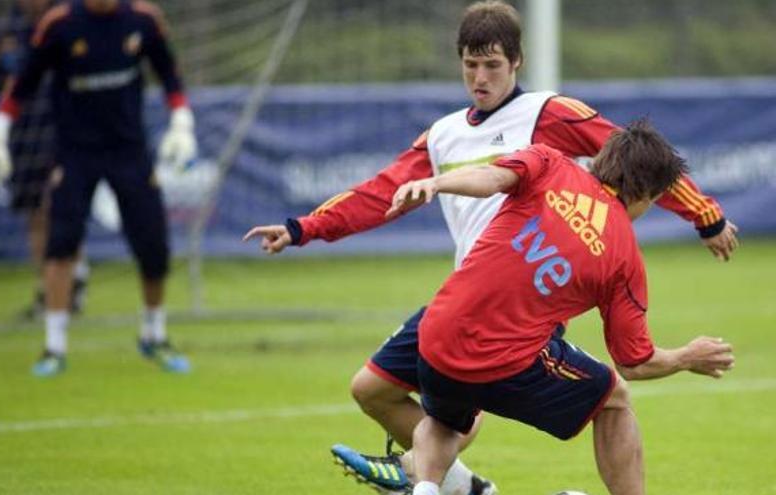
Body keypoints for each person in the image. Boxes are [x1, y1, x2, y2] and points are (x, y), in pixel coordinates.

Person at [243, 1, 738, 494]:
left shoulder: (549, 114)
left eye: (492, 66)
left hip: (526, 303)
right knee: (372, 391)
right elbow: (381, 193)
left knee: (459, 412)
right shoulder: (443, 136)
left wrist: (705, 215)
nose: (480, 78)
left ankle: (425, 473)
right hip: (464, 294)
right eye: (470, 65)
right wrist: (305, 227)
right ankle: (459, 485)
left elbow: (636, 163)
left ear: (517, 61)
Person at [385, 122, 735, 495]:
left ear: (602, 158)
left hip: (436, 336)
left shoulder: (549, 161)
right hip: (502, 362)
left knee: (443, 421)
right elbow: (635, 363)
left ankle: (425, 487)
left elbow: (490, 176)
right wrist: (687, 357)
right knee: (613, 396)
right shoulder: (624, 257)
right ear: (647, 195)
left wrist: (437, 184)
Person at [0, 0, 198, 377]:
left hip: (129, 150)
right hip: (74, 152)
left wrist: (181, 122)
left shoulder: (143, 20)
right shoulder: (59, 24)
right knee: (60, 245)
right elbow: (23, 83)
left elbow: (170, 75)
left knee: (154, 247)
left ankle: (154, 335)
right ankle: (54, 347)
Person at [0, 0, 90, 320]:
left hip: (65, 129)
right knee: (35, 213)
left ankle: (75, 278)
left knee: (60, 204)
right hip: (22, 134)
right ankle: (47, 291)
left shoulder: (67, 21)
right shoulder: (7, 32)